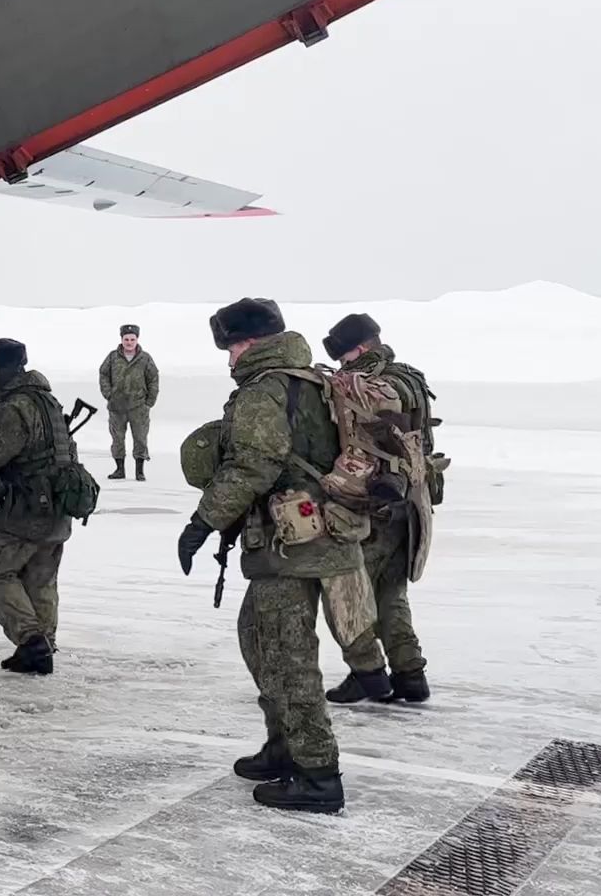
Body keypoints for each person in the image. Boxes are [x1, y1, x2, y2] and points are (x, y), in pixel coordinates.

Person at [177, 298, 358, 812]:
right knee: (259, 640)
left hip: (291, 545)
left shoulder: (266, 389)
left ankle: (318, 774)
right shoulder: (310, 379)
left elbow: (251, 466)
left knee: (287, 656)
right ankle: (284, 746)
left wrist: (202, 522)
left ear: (248, 342)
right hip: (310, 537)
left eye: (231, 346)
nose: (229, 358)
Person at [320, 313, 438, 705]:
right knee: (392, 594)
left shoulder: (371, 383)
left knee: (355, 593)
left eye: (344, 355)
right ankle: (411, 674)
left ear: (361, 348)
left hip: (378, 504)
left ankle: (366, 674)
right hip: (411, 504)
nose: (341, 364)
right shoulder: (411, 377)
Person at [0, 338, 75, 675]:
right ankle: (44, 647)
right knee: (40, 580)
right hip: (58, 506)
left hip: (25, 510)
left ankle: (31, 642)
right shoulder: (48, 402)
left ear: (4, 369)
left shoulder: (13, 409)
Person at [98, 324, 159, 480]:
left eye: (132, 339)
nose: (129, 342)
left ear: (137, 340)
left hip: (139, 406)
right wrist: (108, 394)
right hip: (116, 406)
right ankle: (119, 469)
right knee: (117, 439)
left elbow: (153, 379)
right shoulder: (112, 357)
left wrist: (149, 402)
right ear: (122, 340)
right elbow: (103, 374)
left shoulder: (145, 358)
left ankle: (140, 471)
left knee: (140, 438)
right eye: (126, 339)